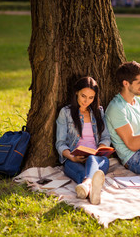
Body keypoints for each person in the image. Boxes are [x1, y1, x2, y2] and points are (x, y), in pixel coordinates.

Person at [56, 76, 111, 205]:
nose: (86, 101)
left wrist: (99, 150)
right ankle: (91, 190)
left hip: (97, 159)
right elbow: (60, 143)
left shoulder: (99, 112)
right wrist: (72, 157)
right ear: (76, 92)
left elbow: (106, 137)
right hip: (73, 159)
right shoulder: (66, 113)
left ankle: (86, 186)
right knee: (77, 169)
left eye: (91, 98)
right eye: (83, 96)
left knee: (92, 159)